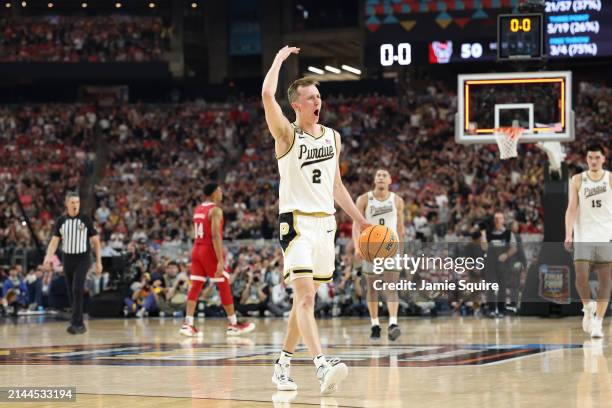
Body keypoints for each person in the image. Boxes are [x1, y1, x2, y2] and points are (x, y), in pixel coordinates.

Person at [262, 45, 370, 395]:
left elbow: (337, 186)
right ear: (296, 105)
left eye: (318, 96)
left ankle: (282, 364)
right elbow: (267, 93)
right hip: (295, 225)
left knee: (303, 301)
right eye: (310, 98)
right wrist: (279, 60)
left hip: (325, 226)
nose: (317, 102)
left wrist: (360, 219)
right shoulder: (287, 135)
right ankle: (322, 364)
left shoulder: (334, 137)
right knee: (306, 297)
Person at [180, 183, 255, 336]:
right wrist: (221, 260)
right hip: (209, 250)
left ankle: (188, 324)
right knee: (224, 285)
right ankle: (233, 324)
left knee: (195, 286)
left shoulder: (198, 209)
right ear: (214, 193)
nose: (222, 193)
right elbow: (215, 235)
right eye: (220, 190)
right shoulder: (215, 210)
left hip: (196, 249)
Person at [565, 142, 611, 339]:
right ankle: (587, 306)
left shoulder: (610, 179)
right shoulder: (577, 180)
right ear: (587, 159)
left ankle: (598, 323)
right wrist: (569, 234)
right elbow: (572, 208)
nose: (593, 161)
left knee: (605, 281)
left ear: (603, 159)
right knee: (580, 277)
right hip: (584, 235)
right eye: (590, 157)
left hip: (605, 236)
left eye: (597, 158)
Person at [354, 169, 405, 340]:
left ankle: (393, 322)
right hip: (371, 247)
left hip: (391, 247)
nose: (381, 178)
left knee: (392, 286)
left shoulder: (397, 200)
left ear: (390, 180)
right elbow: (356, 225)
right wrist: (357, 247)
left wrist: (402, 251)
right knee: (372, 287)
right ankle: (375, 324)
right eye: (378, 175)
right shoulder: (364, 199)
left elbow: (401, 228)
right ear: (374, 180)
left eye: (384, 175)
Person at [43, 191, 102, 334]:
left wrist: (98, 262)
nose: (75, 205)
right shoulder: (61, 221)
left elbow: (96, 242)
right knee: (71, 292)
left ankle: (77, 324)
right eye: (72, 202)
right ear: (67, 204)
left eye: (77, 202)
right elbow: (54, 242)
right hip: (67, 259)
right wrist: (47, 257)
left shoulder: (85, 219)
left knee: (77, 289)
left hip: (83, 258)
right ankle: (78, 322)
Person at [480, 211, 517, 318]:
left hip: (503, 264)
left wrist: (506, 254)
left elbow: (514, 248)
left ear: (503, 220)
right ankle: (491, 309)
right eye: (495, 218)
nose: (497, 220)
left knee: (502, 287)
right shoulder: (487, 233)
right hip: (490, 264)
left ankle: (501, 309)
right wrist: (483, 234)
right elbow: (484, 248)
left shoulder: (509, 233)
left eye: (500, 218)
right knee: (491, 287)